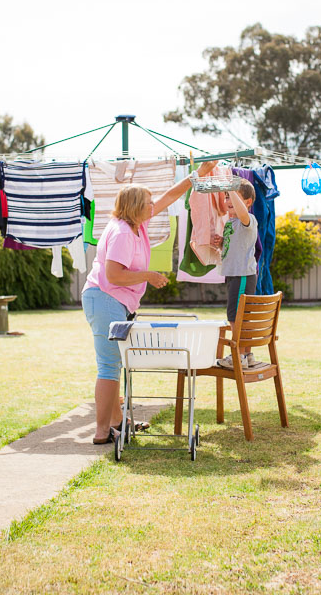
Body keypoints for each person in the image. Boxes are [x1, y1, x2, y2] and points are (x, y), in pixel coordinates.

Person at [82, 161, 215, 444]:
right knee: (108, 366)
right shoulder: (121, 233)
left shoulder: (135, 224)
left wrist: (197, 175)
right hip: (105, 298)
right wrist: (150, 276)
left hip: (112, 301)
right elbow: (113, 274)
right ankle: (102, 431)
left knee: (114, 364)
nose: (152, 204)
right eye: (147, 202)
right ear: (134, 207)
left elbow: (169, 196)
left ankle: (118, 422)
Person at [212, 178, 258, 369]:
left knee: (235, 317)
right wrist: (222, 242)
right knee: (241, 317)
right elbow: (236, 245)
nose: (229, 200)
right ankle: (246, 355)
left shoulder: (248, 220)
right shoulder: (231, 223)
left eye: (234, 196)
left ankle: (237, 356)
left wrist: (230, 188)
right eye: (227, 197)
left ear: (247, 202)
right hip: (234, 275)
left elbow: (242, 213)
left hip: (241, 276)